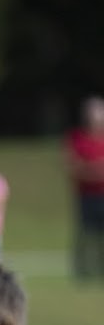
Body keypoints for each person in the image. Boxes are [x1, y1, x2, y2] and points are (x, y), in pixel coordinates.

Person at [63, 95, 104, 280]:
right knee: (86, 235)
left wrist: (89, 168)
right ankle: (84, 272)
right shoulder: (76, 137)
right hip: (86, 195)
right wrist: (96, 169)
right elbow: (72, 166)